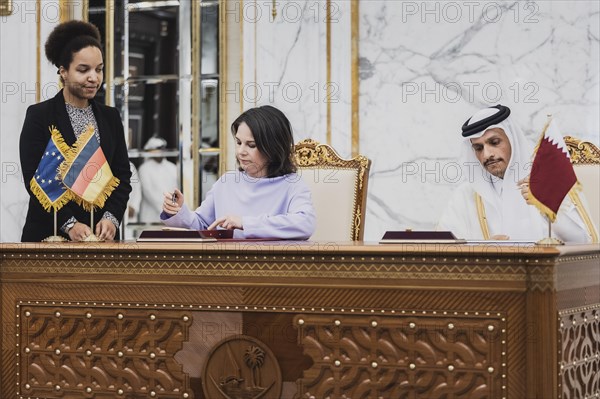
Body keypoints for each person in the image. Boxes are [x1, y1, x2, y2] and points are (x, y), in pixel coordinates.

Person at [19, 20, 131, 242]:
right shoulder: (39, 116)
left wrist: (111, 218)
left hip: (100, 238)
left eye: (99, 70)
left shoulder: (110, 117)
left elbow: (122, 177)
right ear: (63, 72)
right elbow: (35, 181)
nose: (94, 77)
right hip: (49, 235)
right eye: (83, 70)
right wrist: (69, 223)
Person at [438, 104, 594, 242]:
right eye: (479, 148)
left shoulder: (550, 182)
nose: (486, 155)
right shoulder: (466, 196)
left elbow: (585, 241)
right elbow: (443, 248)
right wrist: (484, 250)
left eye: (494, 142)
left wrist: (547, 203)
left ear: (512, 139)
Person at [161, 105, 316, 240]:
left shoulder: (292, 184)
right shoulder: (227, 182)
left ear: (273, 147)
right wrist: (178, 211)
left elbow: (304, 224)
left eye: (251, 145)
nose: (241, 151)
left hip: (272, 268)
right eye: (238, 142)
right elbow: (202, 225)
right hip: (225, 266)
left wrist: (244, 223)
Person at [138, 137, 178, 224]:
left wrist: (172, 207)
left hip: (170, 213)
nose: (161, 151)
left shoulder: (172, 167)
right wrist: (163, 209)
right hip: (150, 216)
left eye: (162, 149)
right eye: (158, 149)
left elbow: (176, 190)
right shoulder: (144, 168)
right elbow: (148, 192)